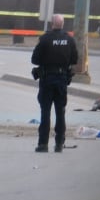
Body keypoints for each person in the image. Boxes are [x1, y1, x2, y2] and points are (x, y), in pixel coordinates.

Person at [31, 13, 78, 153]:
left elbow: (35, 59)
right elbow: (74, 59)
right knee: (60, 112)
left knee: (45, 112)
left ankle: (43, 144)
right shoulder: (69, 40)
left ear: (52, 24)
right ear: (62, 24)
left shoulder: (45, 39)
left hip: (47, 79)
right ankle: (59, 144)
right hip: (62, 79)